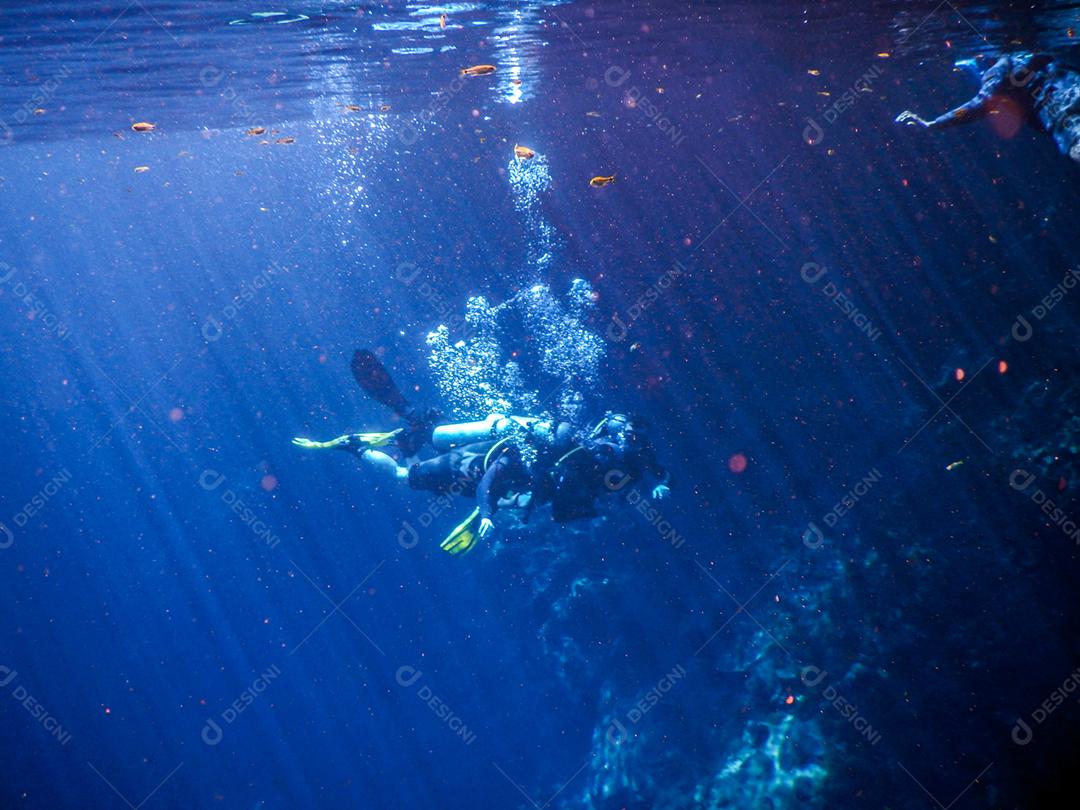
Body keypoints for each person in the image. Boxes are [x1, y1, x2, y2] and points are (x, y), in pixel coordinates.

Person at [294, 411, 671, 555]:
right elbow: (489, 481)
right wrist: (487, 513)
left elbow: (649, 468)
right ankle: (355, 446)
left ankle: (418, 432)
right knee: (403, 475)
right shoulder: (533, 455)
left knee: (419, 458)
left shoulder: (582, 468)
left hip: (492, 484)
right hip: (471, 463)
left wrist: (660, 482)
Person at [895, 51, 1080, 164]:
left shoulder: (1001, 65)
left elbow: (979, 104)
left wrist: (934, 123)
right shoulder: (1028, 56)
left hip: (1066, 116)